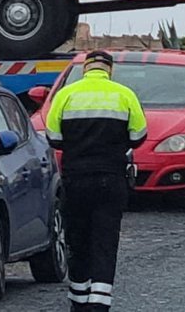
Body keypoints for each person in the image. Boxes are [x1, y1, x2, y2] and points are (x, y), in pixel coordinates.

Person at [46, 50, 147, 309]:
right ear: (110, 70)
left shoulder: (65, 95)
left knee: (78, 241)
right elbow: (139, 136)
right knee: (104, 242)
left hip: (76, 179)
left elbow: (53, 137)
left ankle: (78, 302)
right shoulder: (124, 95)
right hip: (111, 180)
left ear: (85, 69)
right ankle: (99, 305)